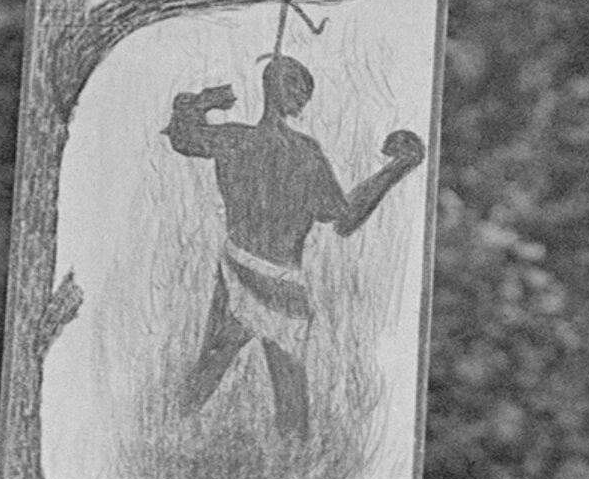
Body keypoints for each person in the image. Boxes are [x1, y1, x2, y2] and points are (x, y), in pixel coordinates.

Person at [164, 56, 428, 444]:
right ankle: (178, 436)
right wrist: (397, 168)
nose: (303, 100)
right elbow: (344, 217)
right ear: (284, 93)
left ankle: (178, 434)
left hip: (259, 274)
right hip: (262, 275)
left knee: (222, 371)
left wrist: (203, 102)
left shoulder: (241, 140)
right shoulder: (300, 152)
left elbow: (184, 136)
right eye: (300, 90)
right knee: (269, 385)